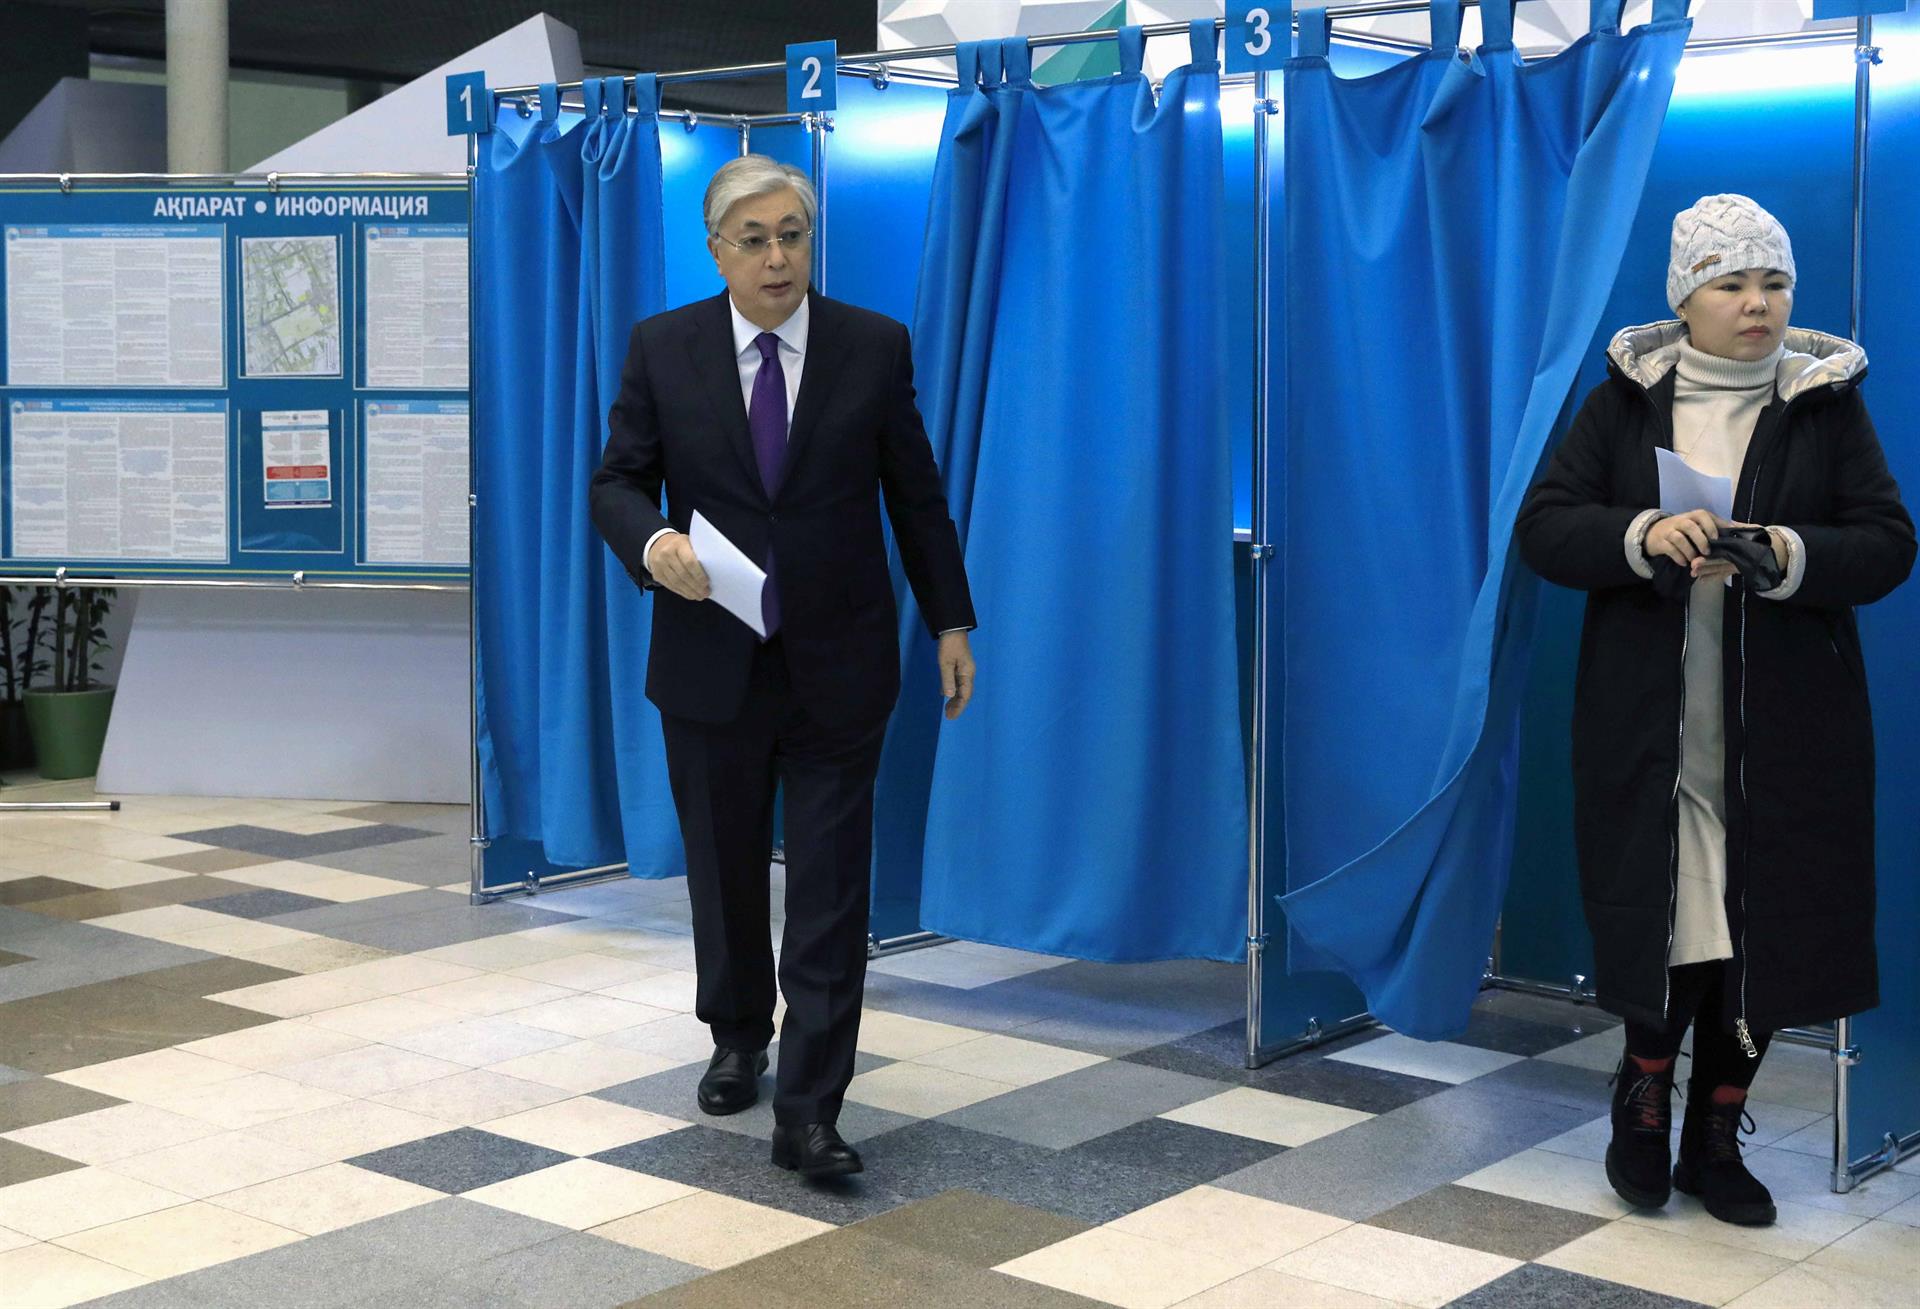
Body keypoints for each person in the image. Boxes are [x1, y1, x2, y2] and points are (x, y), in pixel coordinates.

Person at [1516, 194, 1914, 1227]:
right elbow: (1547, 529)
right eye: (1731, 282)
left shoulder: (1827, 404)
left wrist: (1787, 554)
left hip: (1788, 730)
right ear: (1686, 296)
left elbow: (1887, 543)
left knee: (1761, 929)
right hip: (1653, 725)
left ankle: (1715, 1131)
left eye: (1773, 282)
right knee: (1677, 921)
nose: (1757, 303)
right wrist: (1644, 533)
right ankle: (1644, 1104)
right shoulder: (1622, 401)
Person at [589, 155, 977, 1180]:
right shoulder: (664, 347)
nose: (776, 256)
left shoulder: (871, 344)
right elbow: (617, 480)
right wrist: (651, 543)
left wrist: (950, 621)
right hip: (710, 653)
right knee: (722, 870)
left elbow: (916, 496)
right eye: (754, 238)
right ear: (716, 249)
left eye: (792, 235)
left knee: (832, 887)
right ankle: (736, 1031)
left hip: (839, 663)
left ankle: (810, 1107)